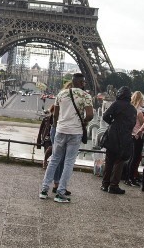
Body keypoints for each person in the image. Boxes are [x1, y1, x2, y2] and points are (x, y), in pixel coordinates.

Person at [39, 73, 93, 203]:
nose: (84, 84)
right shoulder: (85, 96)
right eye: (83, 82)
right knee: (68, 162)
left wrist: (59, 125)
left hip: (61, 130)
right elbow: (90, 115)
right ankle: (60, 192)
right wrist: (84, 122)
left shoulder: (61, 94)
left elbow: (55, 114)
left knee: (54, 160)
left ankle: (44, 190)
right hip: (75, 132)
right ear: (81, 83)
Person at [100, 86, 135, 194]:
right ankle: (114, 185)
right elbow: (132, 124)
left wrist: (113, 122)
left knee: (109, 160)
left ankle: (105, 184)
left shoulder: (116, 104)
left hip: (113, 134)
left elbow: (105, 116)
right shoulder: (132, 109)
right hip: (125, 136)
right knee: (119, 161)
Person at [126, 91, 144, 186]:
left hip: (131, 135)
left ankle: (129, 177)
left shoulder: (131, 109)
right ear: (141, 100)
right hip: (138, 136)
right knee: (135, 158)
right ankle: (131, 178)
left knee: (132, 157)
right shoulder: (139, 112)